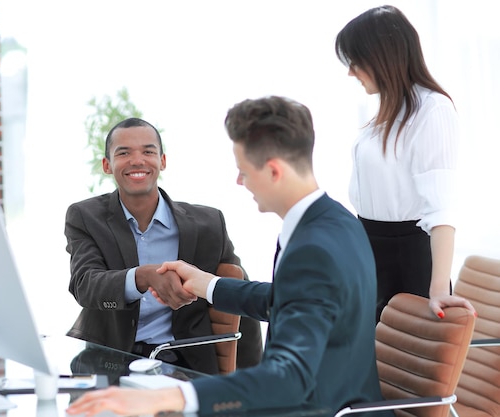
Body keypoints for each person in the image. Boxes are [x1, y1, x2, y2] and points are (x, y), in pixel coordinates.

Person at [66, 96, 389, 417]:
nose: (239, 181)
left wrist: (169, 398)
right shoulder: (337, 222)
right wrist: (208, 285)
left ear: (274, 171)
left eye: (243, 171)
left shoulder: (312, 248)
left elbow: (287, 378)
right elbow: (290, 299)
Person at [64, 117, 262, 375]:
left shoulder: (209, 224)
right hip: (109, 359)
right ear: (107, 165)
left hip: (184, 362)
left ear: (163, 161)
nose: (137, 160)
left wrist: (253, 379)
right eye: (123, 153)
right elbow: (85, 285)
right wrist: (142, 277)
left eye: (148, 151)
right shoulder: (85, 216)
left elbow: (238, 293)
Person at [335, 5, 475, 322]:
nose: (350, 72)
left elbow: (440, 211)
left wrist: (438, 288)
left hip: (406, 259)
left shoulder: (432, 110)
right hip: (371, 253)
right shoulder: (385, 111)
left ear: (381, 56)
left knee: (402, 366)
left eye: (355, 61)